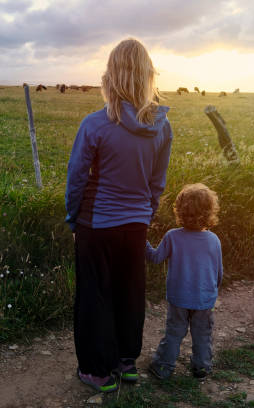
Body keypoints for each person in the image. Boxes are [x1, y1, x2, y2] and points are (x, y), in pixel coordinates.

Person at [65, 38, 173, 392]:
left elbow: (77, 177)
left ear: (110, 76)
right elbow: (157, 182)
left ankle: (97, 371)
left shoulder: (95, 124)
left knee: (95, 295)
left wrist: (73, 219)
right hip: (136, 223)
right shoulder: (162, 126)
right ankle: (126, 363)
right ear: (147, 77)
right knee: (130, 292)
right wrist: (146, 212)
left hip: (96, 224)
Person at [146, 183, 223, 380]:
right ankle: (202, 368)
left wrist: (140, 239)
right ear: (210, 211)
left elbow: (155, 257)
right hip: (205, 299)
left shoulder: (173, 236)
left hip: (179, 297)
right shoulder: (214, 240)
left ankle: (163, 367)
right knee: (202, 335)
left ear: (179, 210)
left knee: (174, 333)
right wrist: (212, 291)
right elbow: (218, 272)